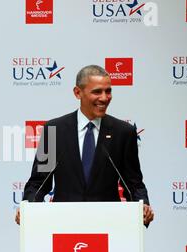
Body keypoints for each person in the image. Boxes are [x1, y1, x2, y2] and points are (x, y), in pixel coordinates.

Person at [15, 65, 154, 227]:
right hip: (63, 225)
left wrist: (143, 206)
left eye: (108, 91)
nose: (104, 98)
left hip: (109, 225)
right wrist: (28, 208)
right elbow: (38, 182)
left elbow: (134, 183)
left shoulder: (124, 132)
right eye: (97, 92)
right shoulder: (54, 130)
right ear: (77, 93)